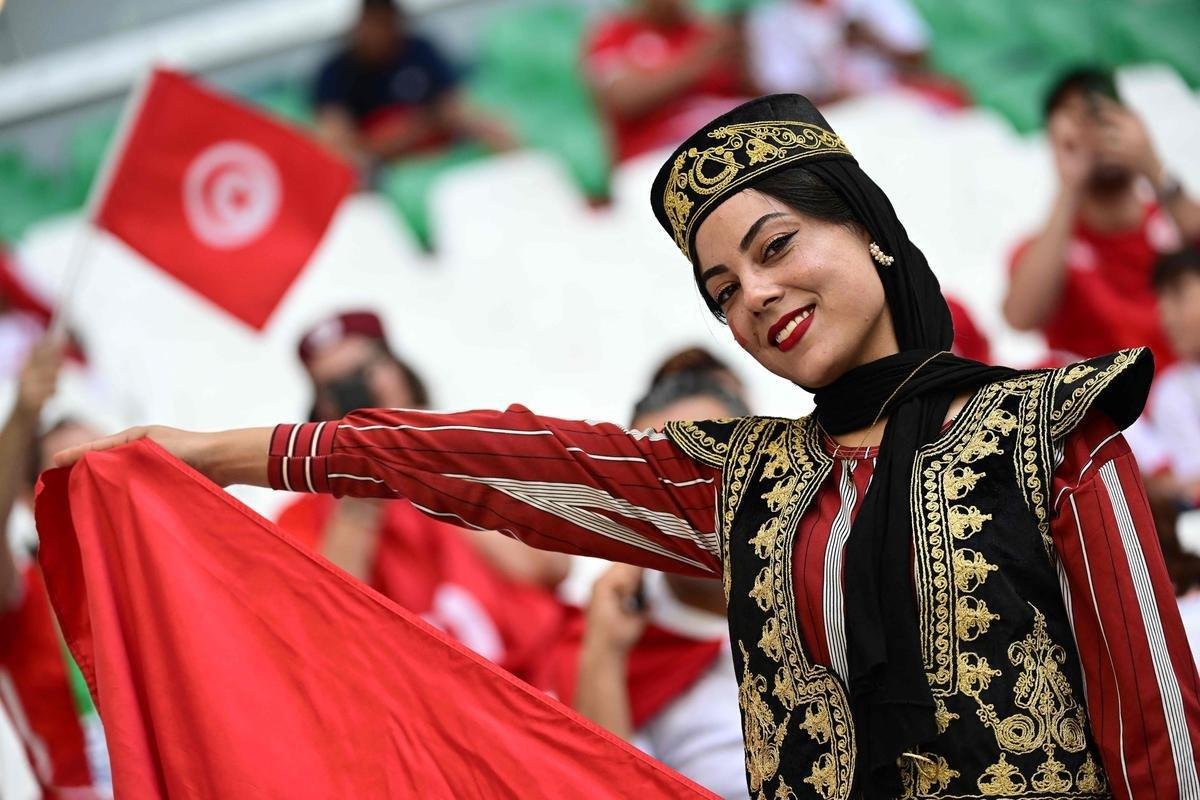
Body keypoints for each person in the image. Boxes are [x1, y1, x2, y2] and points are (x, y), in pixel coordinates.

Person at [57, 95, 1200, 799]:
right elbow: (502, 464)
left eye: (777, 245)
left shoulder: (1053, 433)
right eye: (723, 287)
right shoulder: (747, 480)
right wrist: (226, 452)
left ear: (871, 230)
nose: (756, 294)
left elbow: (1161, 742)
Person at [276, 310, 568, 680]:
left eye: (363, 372)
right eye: (335, 387)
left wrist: (424, 461)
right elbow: (324, 628)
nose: (356, 393)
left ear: (398, 369)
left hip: (541, 678)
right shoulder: (302, 516)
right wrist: (358, 482)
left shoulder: (478, 447)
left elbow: (548, 567)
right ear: (319, 408)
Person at [566, 349, 749, 798]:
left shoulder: (840, 572)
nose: (684, 495)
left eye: (707, 461)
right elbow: (602, 790)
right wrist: (604, 654)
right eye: (655, 478)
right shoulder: (609, 640)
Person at [1003, 67, 1200, 371]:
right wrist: (1069, 185)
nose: (1095, 138)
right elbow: (1021, 316)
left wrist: (1152, 165)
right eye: (1077, 127)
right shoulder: (1045, 248)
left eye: (1106, 119)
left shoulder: (1175, 220)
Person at [0, 338, 110, 798]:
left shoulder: (157, 583)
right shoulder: (23, 593)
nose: (97, 483)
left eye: (109, 463)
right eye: (72, 473)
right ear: (29, 499)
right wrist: (23, 413)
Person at [312, 0, 515, 169]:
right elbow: (338, 138)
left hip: (438, 144)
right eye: (372, 24)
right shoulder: (336, 72)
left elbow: (453, 106)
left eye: (384, 23)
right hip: (381, 163)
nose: (377, 33)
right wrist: (397, 137)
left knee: (494, 128)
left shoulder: (420, 51)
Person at [584, 0, 747, 163]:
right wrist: (697, 63)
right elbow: (622, 99)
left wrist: (741, 64)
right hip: (656, 156)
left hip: (729, 142)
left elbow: (746, 94)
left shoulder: (708, 32)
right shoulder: (615, 34)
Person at [746, 0, 936, 105]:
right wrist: (834, 97)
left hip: (893, 100)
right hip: (826, 113)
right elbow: (778, 90)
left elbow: (919, 59)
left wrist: (871, 39)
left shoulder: (877, 4)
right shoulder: (772, 18)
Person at [1147, 246, 1200, 508]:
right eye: (1162, 302)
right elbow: (1193, 486)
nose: (1165, 317)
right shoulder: (1172, 390)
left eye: (1178, 295)